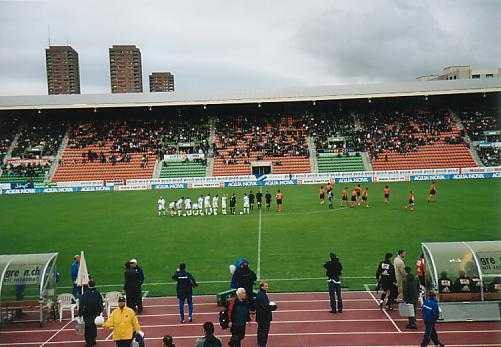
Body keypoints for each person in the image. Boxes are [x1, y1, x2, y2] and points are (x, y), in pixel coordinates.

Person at [78, 280, 103, 347]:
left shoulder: (85, 294)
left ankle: (88, 341)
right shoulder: (97, 293)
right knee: (94, 326)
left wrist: (79, 314)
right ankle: (93, 339)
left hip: (86, 313)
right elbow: (100, 303)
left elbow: (81, 304)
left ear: (88, 285)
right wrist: (100, 312)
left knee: (87, 327)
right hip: (95, 313)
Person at [256, 281, 274, 347]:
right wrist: (273, 307)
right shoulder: (262, 295)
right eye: (266, 286)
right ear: (262, 287)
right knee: (264, 332)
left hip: (261, 317)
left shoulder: (260, 294)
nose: (267, 287)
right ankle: (262, 344)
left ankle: (260, 343)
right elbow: (265, 307)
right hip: (264, 318)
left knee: (260, 331)